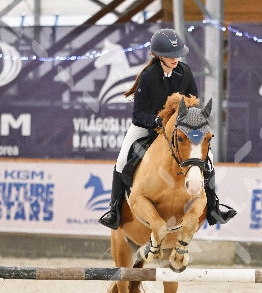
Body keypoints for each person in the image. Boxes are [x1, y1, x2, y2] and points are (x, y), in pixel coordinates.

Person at [98, 28, 237, 229]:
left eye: (177, 54)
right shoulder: (148, 77)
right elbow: (138, 115)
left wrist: (191, 124)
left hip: (180, 129)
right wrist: (157, 122)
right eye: (171, 55)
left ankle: (214, 206)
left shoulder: (185, 72)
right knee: (121, 159)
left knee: (209, 158)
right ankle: (114, 209)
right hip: (147, 127)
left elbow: (194, 104)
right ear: (158, 56)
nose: (175, 59)